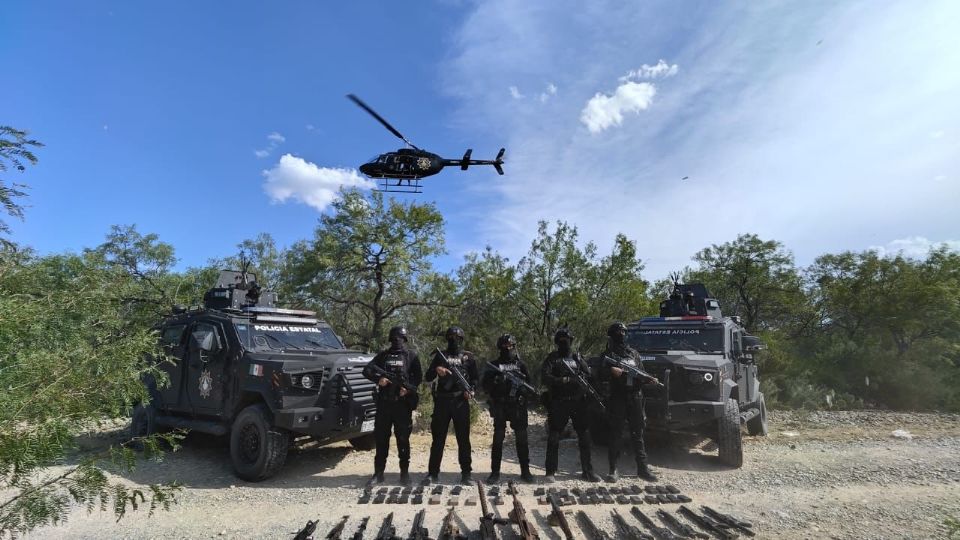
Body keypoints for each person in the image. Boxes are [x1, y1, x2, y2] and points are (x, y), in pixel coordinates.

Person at [362, 325, 422, 485]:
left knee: (403, 440)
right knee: (381, 440)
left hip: (402, 406)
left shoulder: (411, 356)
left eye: (400, 338)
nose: (397, 341)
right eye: (395, 338)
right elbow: (367, 370)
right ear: (390, 339)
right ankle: (378, 474)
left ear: (405, 339)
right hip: (384, 405)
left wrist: (408, 390)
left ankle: (404, 474)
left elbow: (418, 378)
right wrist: (378, 380)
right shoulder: (383, 356)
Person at [599, 322, 658, 482]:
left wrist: (649, 379)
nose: (622, 335)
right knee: (616, 434)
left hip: (635, 397)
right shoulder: (608, 355)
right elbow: (598, 373)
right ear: (612, 335)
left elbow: (641, 373)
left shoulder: (634, 354)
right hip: (618, 397)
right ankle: (613, 470)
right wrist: (611, 371)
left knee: (637, 434)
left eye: (624, 332)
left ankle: (643, 469)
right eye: (618, 332)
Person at [541, 328, 601, 483]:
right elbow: (545, 377)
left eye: (567, 340)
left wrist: (581, 380)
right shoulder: (552, 358)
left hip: (578, 402)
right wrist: (562, 380)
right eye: (562, 340)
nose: (565, 343)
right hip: (559, 401)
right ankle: (550, 471)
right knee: (554, 435)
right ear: (557, 342)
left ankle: (588, 471)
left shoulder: (577, 358)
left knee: (584, 436)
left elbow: (589, 376)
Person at [422, 326, 478, 485]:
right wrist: (437, 369)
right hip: (442, 401)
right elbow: (428, 376)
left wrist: (471, 391)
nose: (454, 340)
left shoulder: (468, 357)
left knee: (463, 439)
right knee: (438, 439)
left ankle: (466, 474)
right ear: (447, 339)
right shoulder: (441, 356)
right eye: (451, 337)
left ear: (462, 339)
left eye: (457, 338)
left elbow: (475, 379)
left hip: (461, 401)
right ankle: (432, 473)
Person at [481, 334, 534, 484]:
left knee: (522, 439)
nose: (507, 349)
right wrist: (497, 380)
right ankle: (495, 472)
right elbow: (485, 386)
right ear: (500, 348)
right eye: (504, 346)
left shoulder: (521, 365)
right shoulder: (494, 365)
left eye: (510, 346)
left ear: (514, 347)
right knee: (498, 439)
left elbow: (530, 386)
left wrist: (521, 390)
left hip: (517, 406)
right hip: (500, 405)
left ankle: (525, 471)